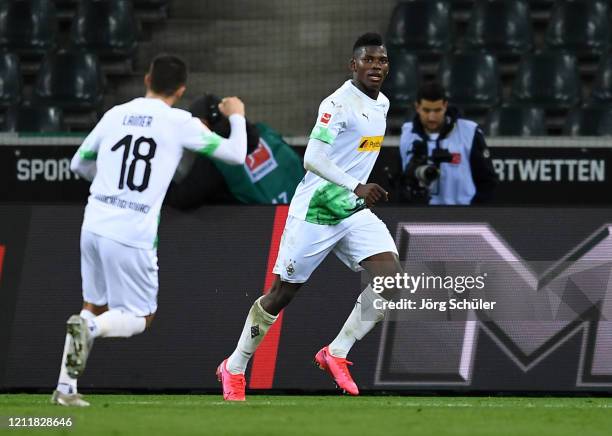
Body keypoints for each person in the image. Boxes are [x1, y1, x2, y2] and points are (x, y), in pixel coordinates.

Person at [51, 54, 248, 407]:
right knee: (141, 317)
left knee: (92, 304)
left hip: (94, 221)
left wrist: (110, 187)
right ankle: (90, 332)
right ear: (182, 89)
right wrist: (236, 116)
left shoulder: (115, 114)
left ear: (146, 79)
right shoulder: (179, 122)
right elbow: (236, 154)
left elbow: (78, 163)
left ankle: (65, 389)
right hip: (132, 230)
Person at [216, 32, 402, 401]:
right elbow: (312, 158)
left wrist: (355, 192)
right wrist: (357, 185)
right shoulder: (336, 104)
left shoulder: (382, 104)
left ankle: (336, 352)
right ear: (354, 65)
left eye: (381, 61)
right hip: (315, 210)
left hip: (351, 211)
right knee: (281, 295)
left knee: (392, 282)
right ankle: (234, 367)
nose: (376, 66)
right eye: (368, 60)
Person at [166, 93, 304, 208]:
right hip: (304, 204)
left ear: (204, 123)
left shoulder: (215, 159)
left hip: (270, 224)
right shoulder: (264, 131)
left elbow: (182, 198)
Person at [399, 82, 497, 205]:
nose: (431, 117)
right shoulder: (407, 134)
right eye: (426, 110)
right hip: (422, 216)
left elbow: (487, 181)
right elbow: (402, 180)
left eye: (437, 110)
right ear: (417, 107)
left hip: (464, 214)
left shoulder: (469, 132)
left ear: (445, 106)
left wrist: (475, 213)